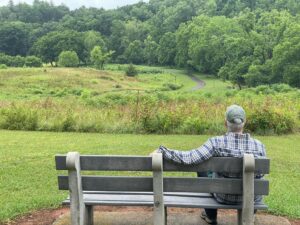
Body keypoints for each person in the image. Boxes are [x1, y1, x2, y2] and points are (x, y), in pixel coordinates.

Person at [155, 105, 267, 225]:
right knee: (255, 178)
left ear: (225, 123)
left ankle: (211, 216)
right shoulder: (259, 146)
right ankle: (251, 215)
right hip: (251, 198)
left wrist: (163, 151)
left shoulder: (216, 142)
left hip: (223, 196)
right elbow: (261, 173)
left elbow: (190, 158)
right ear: (244, 122)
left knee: (203, 169)